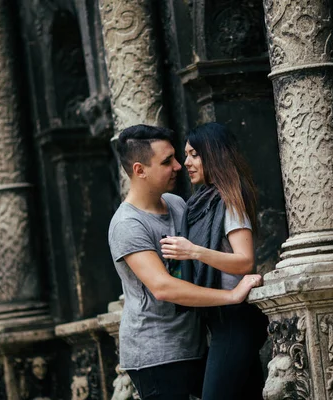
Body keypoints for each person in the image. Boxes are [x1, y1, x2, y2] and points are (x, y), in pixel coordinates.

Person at [107, 124, 262, 400]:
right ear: (139, 170)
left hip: (197, 344)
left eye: (179, 157)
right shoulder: (127, 225)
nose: (179, 166)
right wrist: (232, 295)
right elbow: (163, 287)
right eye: (167, 161)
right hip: (157, 354)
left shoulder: (178, 204)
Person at [160, 122, 269, 400]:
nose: (186, 163)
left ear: (214, 154)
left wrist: (194, 251)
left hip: (234, 322)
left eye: (194, 154)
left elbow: (244, 262)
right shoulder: (200, 203)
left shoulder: (230, 201)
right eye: (186, 155)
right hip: (217, 320)